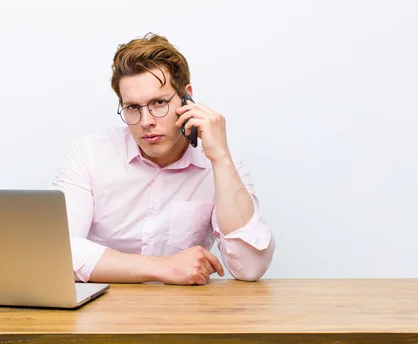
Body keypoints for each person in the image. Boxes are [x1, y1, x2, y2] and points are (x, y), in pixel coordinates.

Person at [53, 33, 275, 285]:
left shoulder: (217, 162)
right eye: (133, 108)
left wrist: (221, 158)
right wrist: (162, 268)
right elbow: (56, 254)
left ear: (187, 97)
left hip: (181, 317)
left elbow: (250, 268)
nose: (146, 121)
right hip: (100, 315)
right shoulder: (89, 153)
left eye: (159, 102)